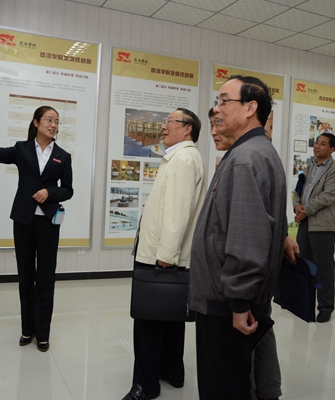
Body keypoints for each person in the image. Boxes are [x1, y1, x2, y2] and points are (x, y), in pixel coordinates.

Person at [189, 75, 287, 400]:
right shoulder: (251, 151)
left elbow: (246, 239)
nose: (216, 109)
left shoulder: (246, 158)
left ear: (250, 108)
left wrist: (239, 301)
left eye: (223, 100)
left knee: (224, 388)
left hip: (225, 305)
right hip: (228, 301)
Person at [0, 103, 73, 352]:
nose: (53, 125)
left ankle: (43, 333)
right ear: (36, 123)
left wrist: (49, 192)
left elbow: (68, 190)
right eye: (49, 120)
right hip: (23, 221)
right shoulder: (22, 149)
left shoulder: (63, 156)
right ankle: (27, 329)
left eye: (57, 121)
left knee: (46, 278)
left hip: (49, 223)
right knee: (26, 276)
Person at [122, 108, 206, 400]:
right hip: (166, 253)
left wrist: (167, 255)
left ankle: (145, 386)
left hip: (161, 255)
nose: (164, 126)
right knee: (170, 318)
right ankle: (172, 372)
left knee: (148, 322)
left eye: (170, 121)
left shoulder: (183, 159)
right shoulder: (180, 157)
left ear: (187, 128)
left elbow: (178, 212)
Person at [293, 133, 335, 323]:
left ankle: (325, 307)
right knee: (304, 265)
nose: (317, 146)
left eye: (323, 144)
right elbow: (298, 189)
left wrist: (304, 210)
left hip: (322, 225)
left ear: (332, 149)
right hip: (305, 223)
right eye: (316, 143)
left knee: (323, 269)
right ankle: (304, 303)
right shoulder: (310, 165)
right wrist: (297, 207)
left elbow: (327, 196)